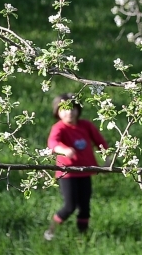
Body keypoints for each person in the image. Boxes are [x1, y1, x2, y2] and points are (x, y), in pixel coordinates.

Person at [44, 93, 110, 241]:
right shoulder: (59, 128)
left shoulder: (86, 125)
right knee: (70, 206)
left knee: (85, 208)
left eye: (73, 108)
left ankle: (83, 237)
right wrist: (64, 149)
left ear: (78, 109)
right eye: (64, 109)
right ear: (57, 111)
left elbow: (100, 142)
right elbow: (52, 144)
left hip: (86, 172)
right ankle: (51, 230)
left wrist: (108, 160)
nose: (69, 112)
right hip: (68, 174)